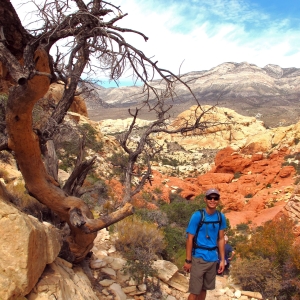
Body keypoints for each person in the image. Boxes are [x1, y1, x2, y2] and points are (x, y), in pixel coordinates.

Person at [184, 188, 227, 300]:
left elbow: (221, 239)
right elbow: (189, 238)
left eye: (215, 198)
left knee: (204, 289)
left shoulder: (220, 217)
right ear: (205, 199)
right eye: (210, 198)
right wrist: (188, 261)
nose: (212, 200)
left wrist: (222, 260)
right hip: (198, 257)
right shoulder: (197, 216)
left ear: (218, 200)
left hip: (212, 259)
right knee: (194, 291)